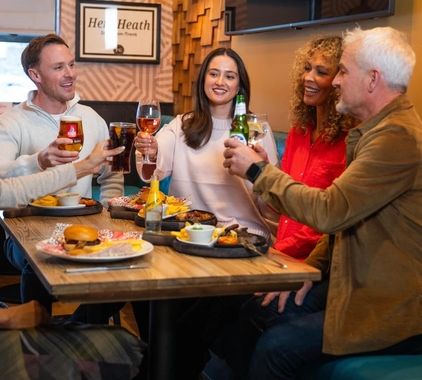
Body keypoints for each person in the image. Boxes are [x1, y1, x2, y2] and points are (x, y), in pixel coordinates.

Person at [222, 26, 422, 379]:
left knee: (275, 348)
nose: (338, 82)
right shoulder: (374, 130)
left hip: (388, 308)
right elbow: (347, 220)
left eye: (343, 71)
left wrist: (257, 171)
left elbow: (330, 211)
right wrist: (309, 274)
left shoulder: (397, 138)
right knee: (252, 311)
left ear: (373, 79)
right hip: (351, 285)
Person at [0, 33, 124, 321]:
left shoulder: (92, 119)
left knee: (123, 263)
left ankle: (76, 332)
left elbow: (112, 176)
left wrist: (108, 215)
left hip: (83, 225)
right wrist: (39, 160)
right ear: (35, 74)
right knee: (38, 255)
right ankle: (37, 335)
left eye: (71, 65)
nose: (70, 73)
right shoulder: (10, 123)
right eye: (58, 67)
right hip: (26, 230)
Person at [0, 143, 144, 379]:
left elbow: (8, 191)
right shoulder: (11, 122)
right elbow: (6, 191)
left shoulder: (91, 118)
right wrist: (6, 317)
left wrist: (83, 168)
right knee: (127, 348)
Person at [134, 47, 279, 241]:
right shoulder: (181, 125)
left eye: (229, 76)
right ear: (204, 80)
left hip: (243, 235)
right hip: (188, 233)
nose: (220, 82)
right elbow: (152, 173)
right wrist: (148, 151)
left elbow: (271, 205)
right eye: (213, 74)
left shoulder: (256, 130)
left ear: (239, 86)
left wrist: (262, 173)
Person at [274, 36, 357, 260]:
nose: (307, 78)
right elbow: (284, 202)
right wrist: (261, 168)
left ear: (340, 82)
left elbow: (331, 219)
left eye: (321, 72)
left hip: (314, 264)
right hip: (280, 255)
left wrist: (275, 253)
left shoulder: (352, 139)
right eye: (307, 68)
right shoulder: (298, 131)